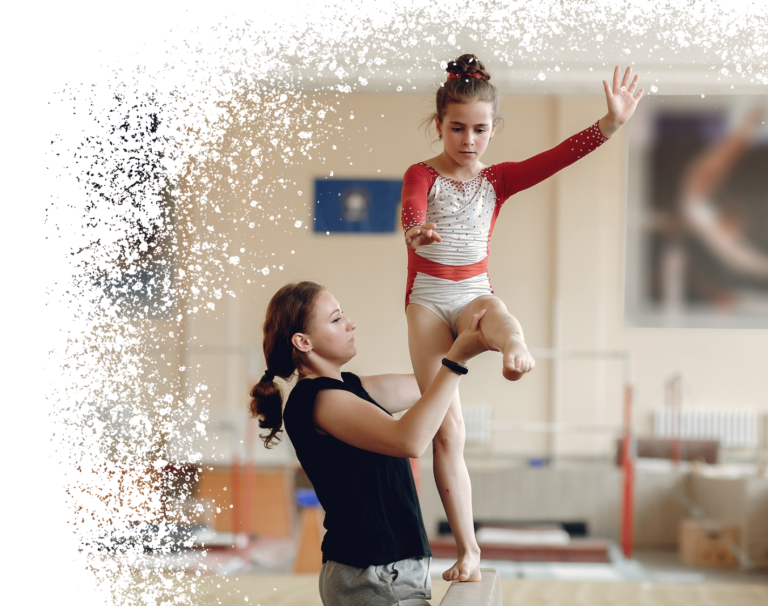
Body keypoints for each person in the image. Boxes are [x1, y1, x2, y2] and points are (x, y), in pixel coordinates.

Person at [400, 54, 644, 582]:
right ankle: (468, 551)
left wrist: (610, 125)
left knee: (495, 311)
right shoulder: (421, 174)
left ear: (493, 129)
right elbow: (412, 206)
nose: (469, 140)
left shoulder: (499, 180)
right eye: (458, 128)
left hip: (472, 294)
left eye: (480, 129)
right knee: (448, 432)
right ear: (439, 124)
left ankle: (514, 347)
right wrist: (415, 230)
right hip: (427, 300)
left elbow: (555, 158)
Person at [249, 281, 490, 606]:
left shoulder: (351, 386)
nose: (350, 323)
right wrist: (456, 359)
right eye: (335, 319)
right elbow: (409, 439)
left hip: (389, 568)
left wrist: (457, 323)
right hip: (372, 571)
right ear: (303, 341)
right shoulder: (316, 399)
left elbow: (430, 386)